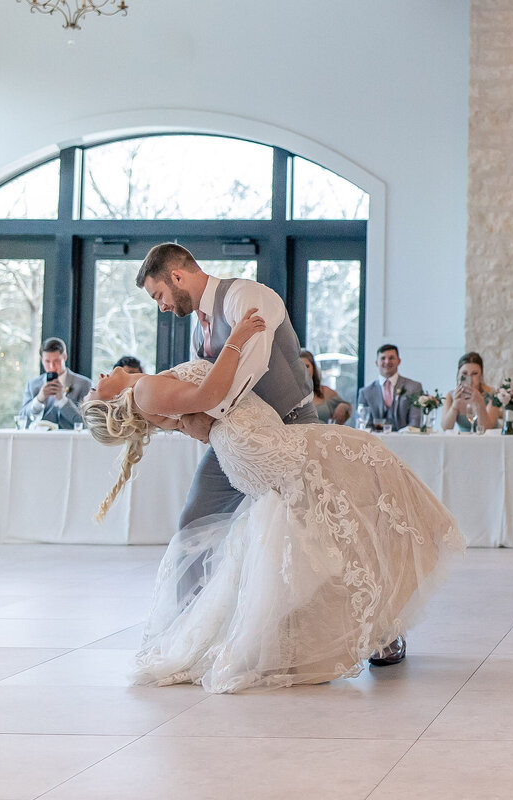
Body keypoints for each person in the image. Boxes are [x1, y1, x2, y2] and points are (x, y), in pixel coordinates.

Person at [81, 310, 462, 692]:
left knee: (319, 519)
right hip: (257, 444)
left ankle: (357, 624)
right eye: (96, 390)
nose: (97, 379)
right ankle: (368, 621)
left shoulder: (148, 391)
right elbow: (207, 395)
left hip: (245, 442)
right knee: (357, 471)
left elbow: (197, 422)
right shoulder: (144, 390)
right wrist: (239, 337)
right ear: (113, 401)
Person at [135, 243, 405, 667]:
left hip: (292, 429)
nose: (162, 306)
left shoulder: (247, 297)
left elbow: (253, 364)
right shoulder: (197, 329)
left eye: (158, 296)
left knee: (323, 531)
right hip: (236, 440)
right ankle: (190, 637)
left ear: (177, 276)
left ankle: (384, 633)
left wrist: (208, 411)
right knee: (195, 521)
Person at [19, 337, 91, 429]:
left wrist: (62, 400)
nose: (52, 366)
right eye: (47, 361)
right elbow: (22, 419)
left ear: (64, 357)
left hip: (71, 440)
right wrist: (38, 399)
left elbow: (87, 424)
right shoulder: (33, 385)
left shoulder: (84, 384)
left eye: (56, 361)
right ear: (41, 360)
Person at [357, 344, 423, 430]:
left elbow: (415, 423)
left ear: (399, 361)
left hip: (405, 440)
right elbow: (364, 425)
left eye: (391, 358)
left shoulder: (414, 387)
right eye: (383, 358)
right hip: (375, 441)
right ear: (377, 363)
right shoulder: (365, 392)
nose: (387, 362)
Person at [440, 352, 501, 432]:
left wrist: (480, 403)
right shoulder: (451, 395)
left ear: (481, 376)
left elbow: (486, 428)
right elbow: (445, 428)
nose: (470, 378)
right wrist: (455, 405)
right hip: (463, 441)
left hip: (488, 441)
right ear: (458, 375)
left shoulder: (492, 394)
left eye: (474, 373)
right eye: (464, 373)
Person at [300, 349, 351, 424]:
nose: (304, 370)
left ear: (313, 368)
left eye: (307, 366)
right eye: (300, 366)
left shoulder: (324, 391)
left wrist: (343, 406)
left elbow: (349, 408)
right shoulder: (287, 395)